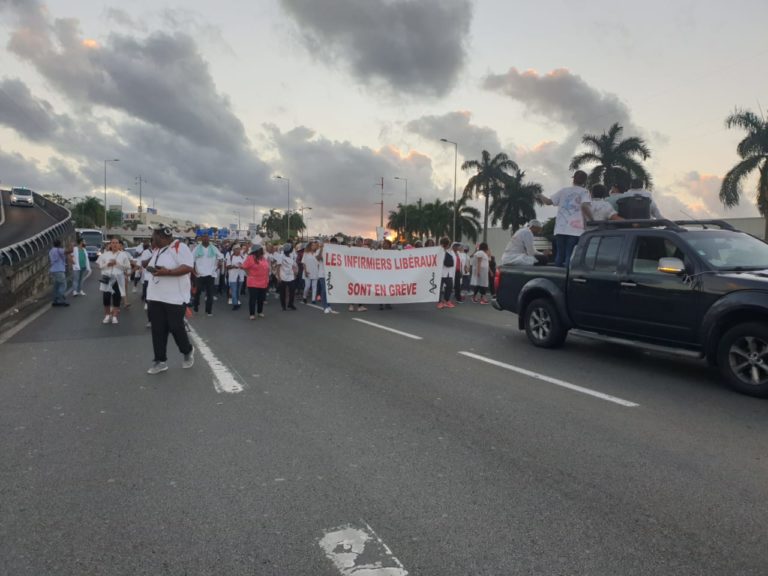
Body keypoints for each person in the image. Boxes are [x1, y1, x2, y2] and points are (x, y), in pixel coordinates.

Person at [145, 226, 195, 374]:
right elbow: (150, 267)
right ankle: (160, 361)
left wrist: (167, 272)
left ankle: (187, 351)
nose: (153, 240)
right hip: (155, 296)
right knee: (158, 330)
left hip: (175, 297)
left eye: (155, 237)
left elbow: (188, 267)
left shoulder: (180, 247)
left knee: (175, 327)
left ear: (163, 237)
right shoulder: (158, 249)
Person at [538, 170, 593, 267]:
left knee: (560, 255)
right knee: (570, 255)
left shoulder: (564, 191)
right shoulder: (584, 192)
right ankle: (567, 278)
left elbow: (548, 202)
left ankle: (558, 277)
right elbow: (584, 206)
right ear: (584, 181)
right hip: (575, 230)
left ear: (573, 179)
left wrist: (539, 195)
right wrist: (592, 219)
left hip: (561, 228)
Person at [97, 238, 131, 324]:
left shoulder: (123, 255)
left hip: (118, 279)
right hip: (107, 278)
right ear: (110, 244)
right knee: (106, 297)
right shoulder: (105, 255)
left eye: (116, 243)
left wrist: (117, 264)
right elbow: (100, 266)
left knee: (117, 297)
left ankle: (115, 316)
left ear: (119, 245)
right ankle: (107, 315)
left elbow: (127, 267)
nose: (115, 244)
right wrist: (107, 264)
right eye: (113, 243)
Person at [192, 234, 223, 316]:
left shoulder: (213, 248)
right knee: (197, 293)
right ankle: (196, 307)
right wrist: (194, 271)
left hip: (210, 274)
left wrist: (219, 263)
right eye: (203, 237)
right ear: (201, 238)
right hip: (199, 275)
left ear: (209, 238)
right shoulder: (197, 248)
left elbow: (221, 257)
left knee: (210, 294)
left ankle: (208, 311)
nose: (205, 238)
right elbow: (191, 260)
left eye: (207, 237)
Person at [241, 244, 270, 319]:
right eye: (260, 250)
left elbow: (267, 268)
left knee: (261, 298)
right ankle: (252, 314)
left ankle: (260, 312)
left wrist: (267, 279)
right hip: (253, 282)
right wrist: (248, 273)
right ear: (256, 251)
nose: (262, 251)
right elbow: (244, 266)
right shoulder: (250, 258)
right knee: (253, 299)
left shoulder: (263, 258)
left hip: (263, 281)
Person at [276, 242, 298, 311]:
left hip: (291, 277)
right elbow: (278, 267)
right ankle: (283, 306)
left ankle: (290, 304)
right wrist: (279, 277)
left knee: (292, 291)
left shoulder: (291, 256)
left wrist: (294, 274)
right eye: (291, 248)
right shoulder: (281, 256)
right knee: (282, 293)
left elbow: (293, 266)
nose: (292, 249)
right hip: (283, 277)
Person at [49, 238, 70, 307]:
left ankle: (55, 300)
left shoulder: (51, 251)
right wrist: (72, 246)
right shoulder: (59, 250)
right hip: (59, 270)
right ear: (59, 244)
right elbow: (68, 251)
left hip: (53, 270)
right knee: (63, 285)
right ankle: (61, 300)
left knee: (56, 286)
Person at [226, 244, 245, 311]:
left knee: (238, 291)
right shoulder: (230, 257)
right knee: (234, 290)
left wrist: (242, 266)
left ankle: (237, 300)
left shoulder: (242, 257)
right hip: (233, 277)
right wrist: (234, 266)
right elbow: (227, 266)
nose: (239, 250)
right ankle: (235, 304)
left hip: (240, 276)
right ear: (233, 250)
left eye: (239, 249)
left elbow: (246, 266)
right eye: (237, 249)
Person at [437, 237, 455, 309]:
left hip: (449, 273)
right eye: (447, 243)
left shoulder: (450, 251)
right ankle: (439, 302)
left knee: (449, 287)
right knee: (439, 289)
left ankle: (446, 301)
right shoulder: (438, 251)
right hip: (440, 273)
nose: (448, 245)